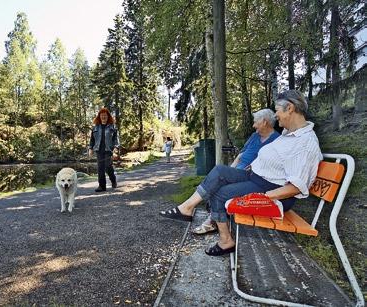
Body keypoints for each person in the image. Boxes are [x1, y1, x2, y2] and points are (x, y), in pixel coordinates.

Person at [160, 90, 323, 256]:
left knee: (220, 194)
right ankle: (187, 208)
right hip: (256, 177)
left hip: (273, 190)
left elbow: (295, 188)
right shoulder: (288, 135)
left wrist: (265, 197)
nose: (276, 115)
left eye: (277, 110)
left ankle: (225, 241)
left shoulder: (305, 143)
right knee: (219, 171)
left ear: (290, 108)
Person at [193, 108, 280, 234]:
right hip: (239, 171)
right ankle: (215, 217)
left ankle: (213, 220)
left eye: (256, 122)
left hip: (252, 176)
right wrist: (231, 170)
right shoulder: (255, 136)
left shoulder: (277, 140)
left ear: (265, 122)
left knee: (218, 187)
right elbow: (240, 155)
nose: (253, 125)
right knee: (218, 179)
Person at [88, 108, 120, 192]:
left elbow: (116, 139)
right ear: (99, 116)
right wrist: (90, 148)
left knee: (107, 166)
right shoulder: (95, 127)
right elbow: (92, 139)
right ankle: (102, 186)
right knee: (100, 168)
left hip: (109, 150)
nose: (103, 116)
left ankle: (113, 180)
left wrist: (116, 149)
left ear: (108, 116)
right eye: (101, 115)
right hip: (99, 150)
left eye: (105, 115)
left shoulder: (113, 127)